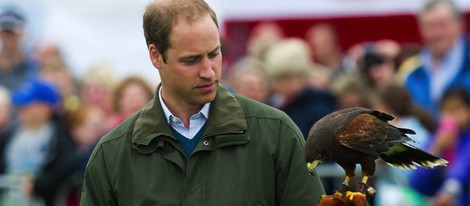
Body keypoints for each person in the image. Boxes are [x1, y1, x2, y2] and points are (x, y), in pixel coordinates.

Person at [80, 0, 325, 205]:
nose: (208, 71)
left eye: (214, 54)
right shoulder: (112, 154)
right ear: (156, 56)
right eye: (191, 60)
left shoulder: (276, 134)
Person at [0, 79, 78, 206]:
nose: (21, 108)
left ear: (44, 108)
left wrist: (38, 186)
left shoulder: (60, 136)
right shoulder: (11, 134)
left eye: (27, 105)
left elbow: (66, 166)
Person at [399, 0, 470, 118]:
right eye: (430, 26)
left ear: (459, 24)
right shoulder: (410, 70)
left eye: (442, 25)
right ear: (421, 29)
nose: (437, 33)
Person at [410, 87, 470, 206]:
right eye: (447, 110)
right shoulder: (437, 138)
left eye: (457, 108)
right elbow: (417, 183)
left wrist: (448, 193)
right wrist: (436, 149)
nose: (452, 115)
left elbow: (462, 169)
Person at [0, 8, 38, 91]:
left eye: (13, 32)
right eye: (5, 31)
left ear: (23, 33)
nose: (8, 36)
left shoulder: (34, 67)